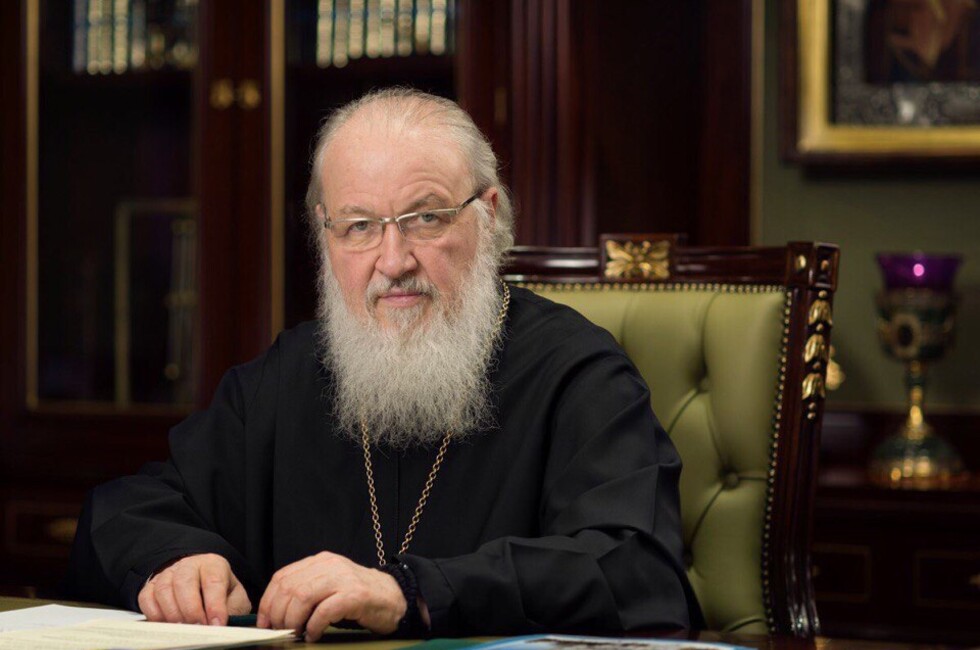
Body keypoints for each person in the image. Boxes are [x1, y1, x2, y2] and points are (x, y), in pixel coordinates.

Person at [65, 88, 700, 641]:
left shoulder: (577, 371)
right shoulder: (288, 376)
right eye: (360, 227)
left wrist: (410, 593)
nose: (393, 261)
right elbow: (125, 508)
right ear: (325, 234)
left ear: (488, 214)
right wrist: (175, 560)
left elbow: (634, 572)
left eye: (425, 218)